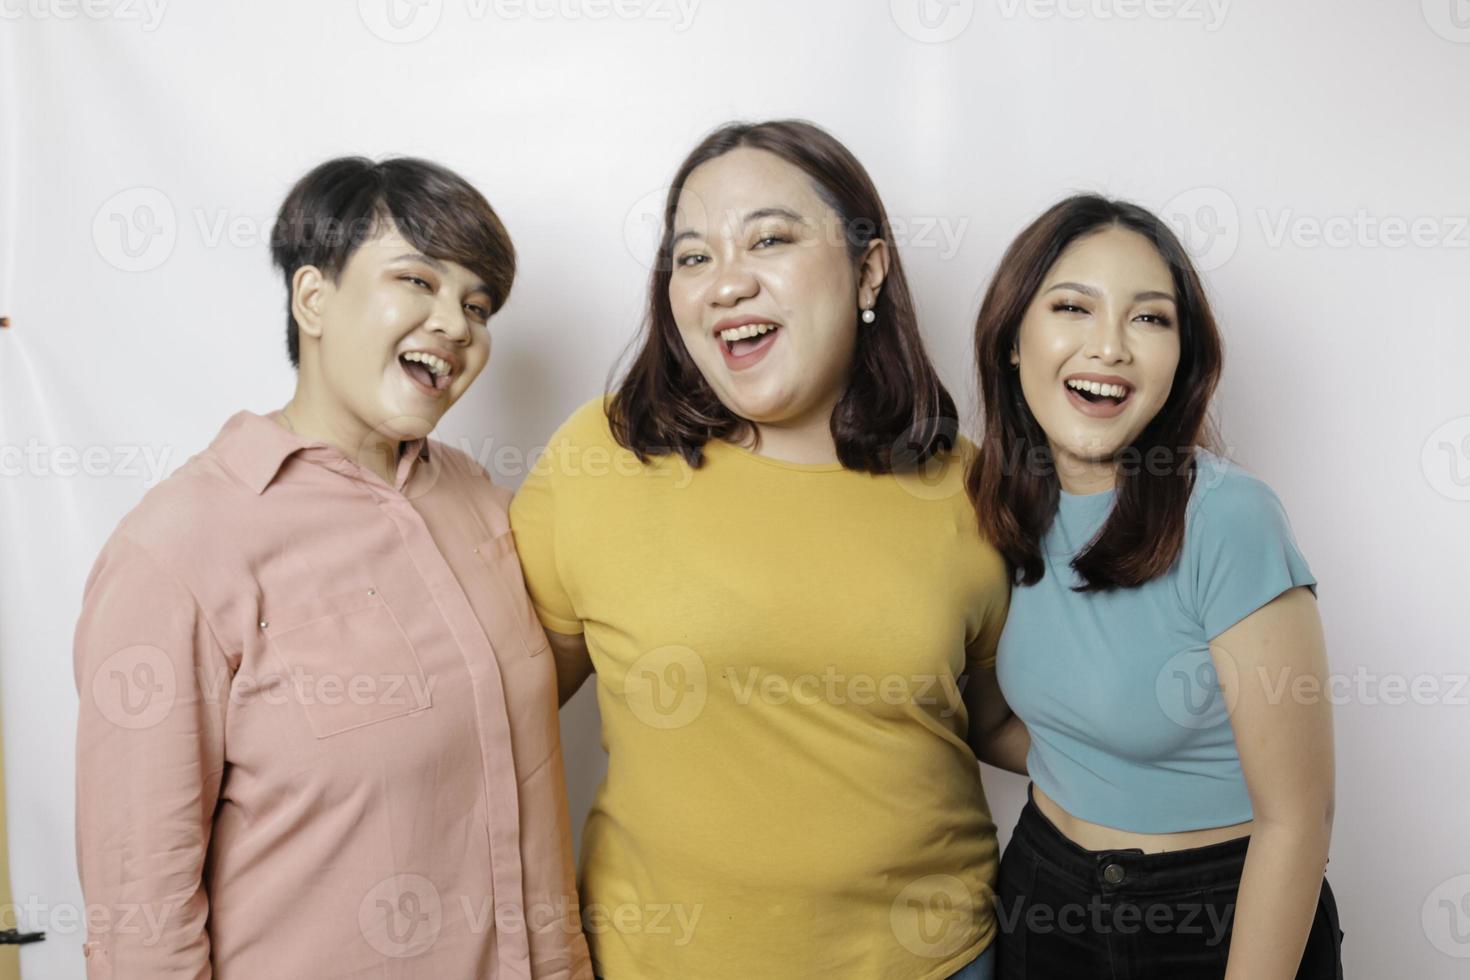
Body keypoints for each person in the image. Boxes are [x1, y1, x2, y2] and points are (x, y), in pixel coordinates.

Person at [509, 120, 1026, 980]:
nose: (726, 283)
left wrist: (1176, 769)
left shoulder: (967, 488)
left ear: (868, 268)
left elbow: (1000, 719)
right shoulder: (600, 455)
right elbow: (495, 710)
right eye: (693, 256)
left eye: (770, 240)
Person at [73, 156, 591, 979]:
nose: (456, 325)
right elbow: (143, 923)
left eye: (477, 304)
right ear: (313, 298)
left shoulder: (482, 504)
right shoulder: (173, 553)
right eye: (416, 280)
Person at [966, 195, 1343, 978]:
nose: (1109, 347)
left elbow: (1297, 819)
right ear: (1012, 340)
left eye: (1150, 319)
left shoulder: (1230, 517)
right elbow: (1009, 724)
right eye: (1072, 307)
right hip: (1040, 889)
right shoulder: (1003, 505)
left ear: (1181, 358)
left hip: (1209, 916)